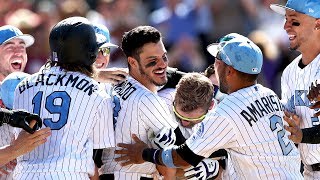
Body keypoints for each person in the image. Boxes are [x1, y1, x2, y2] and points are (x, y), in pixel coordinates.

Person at [114, 34, 303, 179]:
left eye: (217, 61)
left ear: (229, 70)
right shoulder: (268, 94)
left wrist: (145, 154)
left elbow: (183, 157)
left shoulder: (227, 112)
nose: (214, 65)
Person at [12, 16, 115, 179]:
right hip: (69, 174)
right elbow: (99, 153)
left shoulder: (22, 86)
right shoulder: (97, 92)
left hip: (25, 175)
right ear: (91, 53)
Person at [98, 25, 180, 180]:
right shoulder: (149, 101)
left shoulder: (109, 82)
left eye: (164, 57)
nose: (162, 64)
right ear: (133, 62)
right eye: (153, 61)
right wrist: (147, 154)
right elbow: (169, 169)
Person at [270, 0, 320, 178]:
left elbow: (301, 135)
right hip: (307, 172)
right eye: (285, 20)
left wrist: (302, 135)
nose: (286, 26)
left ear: (318, 23)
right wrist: (290, 123)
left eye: (294, 20)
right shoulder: (289, 73)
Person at [157, 72, 221, 179]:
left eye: (192, 119)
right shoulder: (160, 105)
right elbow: (162, 170)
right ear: (175, 97)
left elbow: (224, 157)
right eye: (178, 115)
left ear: (211, 106)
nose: (184, 122)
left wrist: (216, 169)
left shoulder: (218, 117)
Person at [0, 24, 36, 179]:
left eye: (22, 47)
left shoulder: (37, 87)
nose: (18, 51)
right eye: (9, 46)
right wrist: (10, 152)